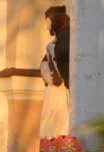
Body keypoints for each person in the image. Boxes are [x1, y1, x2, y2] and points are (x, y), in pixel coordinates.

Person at [39, 6, 71, 138]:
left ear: (55, 21)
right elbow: (46, 64)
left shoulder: (64, 38)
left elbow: (61, 65)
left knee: (59, 128)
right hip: (53, 92)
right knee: (51, 128)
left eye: (48, 22)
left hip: (59, 93)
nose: (46, 27)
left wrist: (54, 75)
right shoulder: (56, 41)